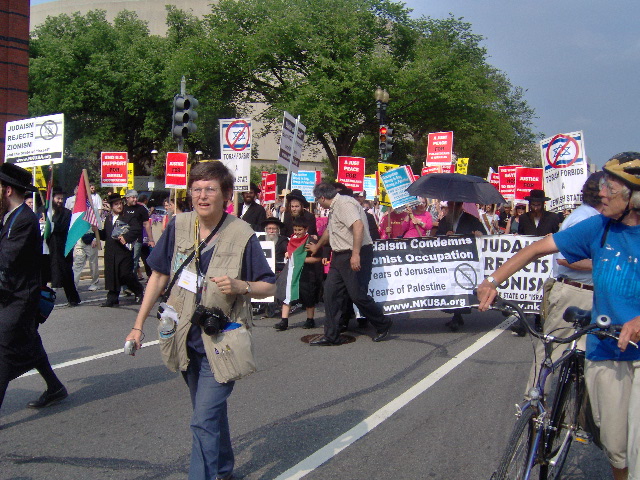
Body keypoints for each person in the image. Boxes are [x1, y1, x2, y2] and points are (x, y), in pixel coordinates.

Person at [477, 152, 640, 480]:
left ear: (634, 198)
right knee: (616, 447)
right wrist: (492, 281)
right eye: (602, 184)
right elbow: (535, 249)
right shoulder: (598, 227)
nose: (601, 193)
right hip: (605, 349)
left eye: (610, 188)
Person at [125, 161, 276, 480]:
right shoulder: (178, 225)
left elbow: (268, 285)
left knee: (202, 420)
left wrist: (241, 286)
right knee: (209, 415)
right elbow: (158, 275)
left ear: (227, 195)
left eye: (210, 189)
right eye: (196, 189)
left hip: (222, 341)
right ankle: (223, 469)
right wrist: (137, 326)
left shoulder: (242, 233)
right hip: (184, 338)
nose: (202, 195)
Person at [523, 172, 605, 393]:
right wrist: (605, 265)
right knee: (552, 350)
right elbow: (565, 258)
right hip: (575, 292)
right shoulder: (585, 218)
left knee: (584, 355)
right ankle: (535, 399)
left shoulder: (591, 216)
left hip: (586, 292)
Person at [0, 163, 67, 412]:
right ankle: (55, 387)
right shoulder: (10, 217)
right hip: (11, 294)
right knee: (30, 342)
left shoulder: (24, 220)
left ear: (7, 190)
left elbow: (6, 259)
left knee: (4, 352)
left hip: (19, 297)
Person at [306, 182, 393, 345]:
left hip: (355, 252)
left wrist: (355, 254)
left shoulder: (344, 203)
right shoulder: (334, 207)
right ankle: (331, 335)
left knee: (357, 295)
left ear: (322, 198)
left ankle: (383, 323)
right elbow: (329, 231)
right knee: (330, 294)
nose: (318, 203)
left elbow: (358, 226)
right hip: (339, 255)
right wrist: (317, 247)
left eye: (317, 200)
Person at [436, 201, 486, 331]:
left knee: (461, 287)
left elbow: (484, 235)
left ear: (460, 206)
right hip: (449, 259)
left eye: (456, 205)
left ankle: (457, 316)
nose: (452, 208)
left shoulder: (471, 219)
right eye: (450, 205)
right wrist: (445, 236)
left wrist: (478, 235)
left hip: (465, 260)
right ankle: (456, 315)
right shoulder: (445, 221)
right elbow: (437, 237)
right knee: (451, 288)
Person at [274, 216, 322, 331]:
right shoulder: (291, 240)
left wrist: (301, 259)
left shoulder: (310, 241)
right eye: (295, 229)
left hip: (306, 274)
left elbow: (318, 258)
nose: (297, 232)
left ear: (306, 229)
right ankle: (284, 321)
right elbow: (290, 254)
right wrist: (288, 254)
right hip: (291, 272)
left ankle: (310, 319)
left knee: (308, 297)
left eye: (300, 230)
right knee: (287, 295)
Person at [98, 193, 144, 307]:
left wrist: (126, 237)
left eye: (120, 203)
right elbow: (106, 235)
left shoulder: (128, 216)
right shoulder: (108, 218)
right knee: (112, 274)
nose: (119, 206)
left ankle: (138, 290)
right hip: (111, 251)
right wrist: (96, 232)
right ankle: (112, 298)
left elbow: (137, 229)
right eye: (116, 204)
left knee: (125, 274)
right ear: (111, 206)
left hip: (124, 251)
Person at [45, 188, 81, 306]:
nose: (60, 201)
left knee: (66, 273)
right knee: (43, 274)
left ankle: (73, 298)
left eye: (62, 198)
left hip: (61, 248)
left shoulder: (66, 213)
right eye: (58, 198)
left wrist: (50, 225)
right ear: (52, 199)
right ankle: (41, 299)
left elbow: (62, 227)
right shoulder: (44, 211)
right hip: (46, 248)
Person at [123, 190, 150, 279]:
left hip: (137, 239)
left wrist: (151, 239)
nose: (135, 199)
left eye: (136, 197)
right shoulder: (123, 208)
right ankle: (126, 282)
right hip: (124, 238)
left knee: (134, 260)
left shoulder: (141, 208)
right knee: (126, 260)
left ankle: (132, 281)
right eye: (133, 197)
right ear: (127, 198)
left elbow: (147, 224)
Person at [72, 224, 100, 291]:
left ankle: (95, 283)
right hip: (79, 239)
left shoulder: (92, 217)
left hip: (91, 239)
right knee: (78, 263)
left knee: (93, 263)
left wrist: (95, 238)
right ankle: (74, 284)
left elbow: (97, 226)